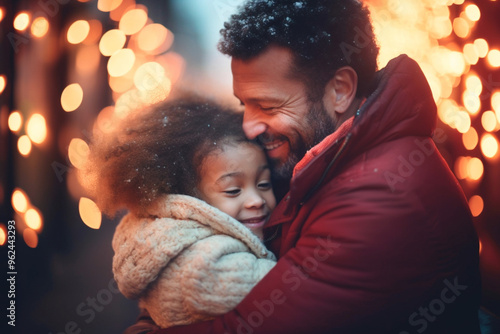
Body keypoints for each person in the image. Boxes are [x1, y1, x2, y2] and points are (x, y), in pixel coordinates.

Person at [125, 0, 481, 333]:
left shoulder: (381, 199)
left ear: (340, 90)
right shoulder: (318, 155)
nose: (249, 126)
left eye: (267, 105)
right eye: (243, 104)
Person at [80, 94, 277, 329]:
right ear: (187, 200)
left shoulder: (161, 229)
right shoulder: (206, 262)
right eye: (233, 190)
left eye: (264, 184)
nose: (256, 200)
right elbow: (284, 294)